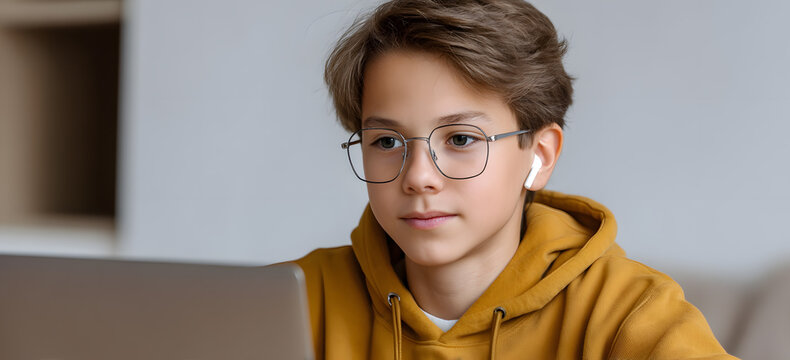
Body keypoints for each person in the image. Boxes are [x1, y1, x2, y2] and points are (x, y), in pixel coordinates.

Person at [283, 0, 737, 358]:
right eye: (385, 142)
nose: (418, 177)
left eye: (460, 138)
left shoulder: (626, 312)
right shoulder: (292, 302)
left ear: (539, 155)